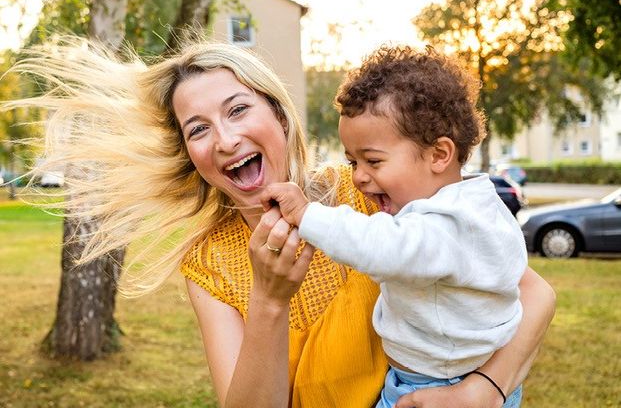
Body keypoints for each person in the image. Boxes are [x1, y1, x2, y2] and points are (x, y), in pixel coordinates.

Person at [7, 37, 555, 408]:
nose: (224, 139)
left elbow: (530, 292)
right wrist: (269, 300)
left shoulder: (366, 195)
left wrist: (482, 390)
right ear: (190, 153)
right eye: (197, 129)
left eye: (238, 110)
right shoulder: (211, 266)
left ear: (278, 113)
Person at [262, 45, 527, 407]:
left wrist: (307, 214)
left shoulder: (446, 226)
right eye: (352, 161)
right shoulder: (479, 204)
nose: (358, 177)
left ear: (439, 155)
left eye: (373, 161)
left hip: (441, 386)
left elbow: (381, 247)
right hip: (444, 374)